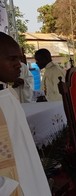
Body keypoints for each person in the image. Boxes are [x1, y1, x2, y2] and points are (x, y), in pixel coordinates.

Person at [0, 32, 51, 195]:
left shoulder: (8, 93)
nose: (19, 65)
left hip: (28, 172)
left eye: (19, 59)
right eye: (12, 59)